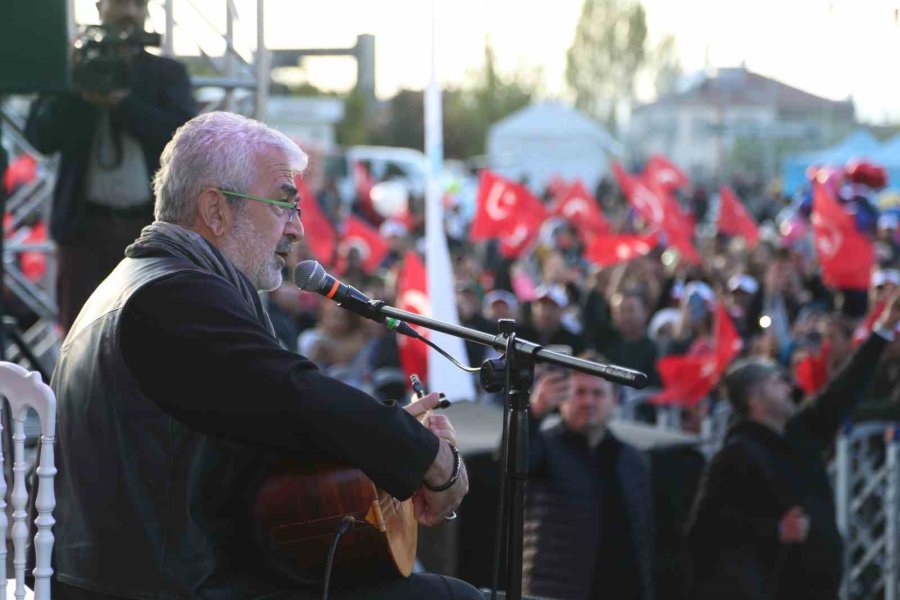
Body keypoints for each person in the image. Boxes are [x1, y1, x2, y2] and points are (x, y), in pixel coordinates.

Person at [49, 111, 480, 600]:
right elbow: (293, 397)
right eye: (283, 205)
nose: (296, 229)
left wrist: (382, 450)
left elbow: (266, 421)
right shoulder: (173, 296)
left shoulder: (141, 284)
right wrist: (425, 455)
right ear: (216, 209)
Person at [683, 289, 900, 600]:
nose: (788, 386)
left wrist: (884, 328)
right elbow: (705, 532)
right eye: (776, 381)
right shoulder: (736, 456)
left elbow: (844, 390)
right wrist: (774, 531)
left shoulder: (801, 434)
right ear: (755, 399)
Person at [25, 0, 196, 332]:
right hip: (82, 229)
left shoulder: (166, 73)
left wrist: (123, 104)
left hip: (150, 229)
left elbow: (182, 139)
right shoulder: (74, 68)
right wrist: (77, 90)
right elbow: (40, 136)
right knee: (79, 332)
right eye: (119, 2)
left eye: (139, 3)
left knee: (151, 332)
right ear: (99, 6)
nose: (129, 11)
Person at [520, 353, 655, 600]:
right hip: (554, 591)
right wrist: (534, 412)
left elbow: (644, 536)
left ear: (614, 399)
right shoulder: (543, 447)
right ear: (563, 398)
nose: (588, 401)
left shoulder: (631, 459)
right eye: (579, 392)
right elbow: (510, 461)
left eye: (598, 393)